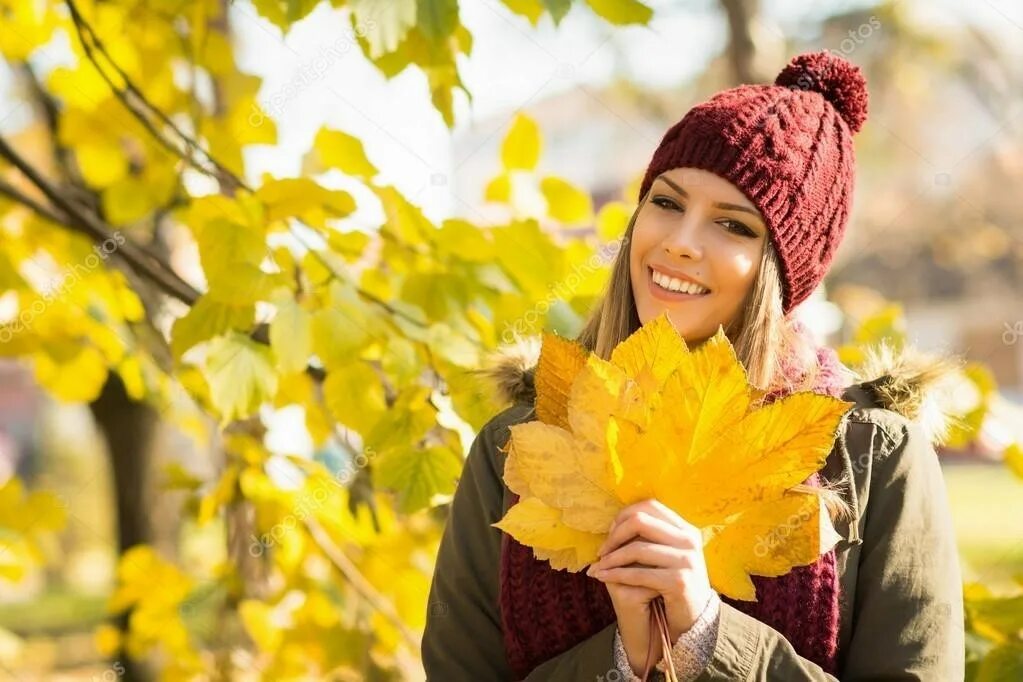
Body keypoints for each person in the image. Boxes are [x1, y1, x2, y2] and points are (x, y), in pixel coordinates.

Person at [422, 50, 965, 681]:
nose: (681, 240)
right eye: (668, 202)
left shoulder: (871, 454)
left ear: (783, 276)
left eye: (733, 226)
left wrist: (706, 633)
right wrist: (625, 659)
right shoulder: (516, 444)